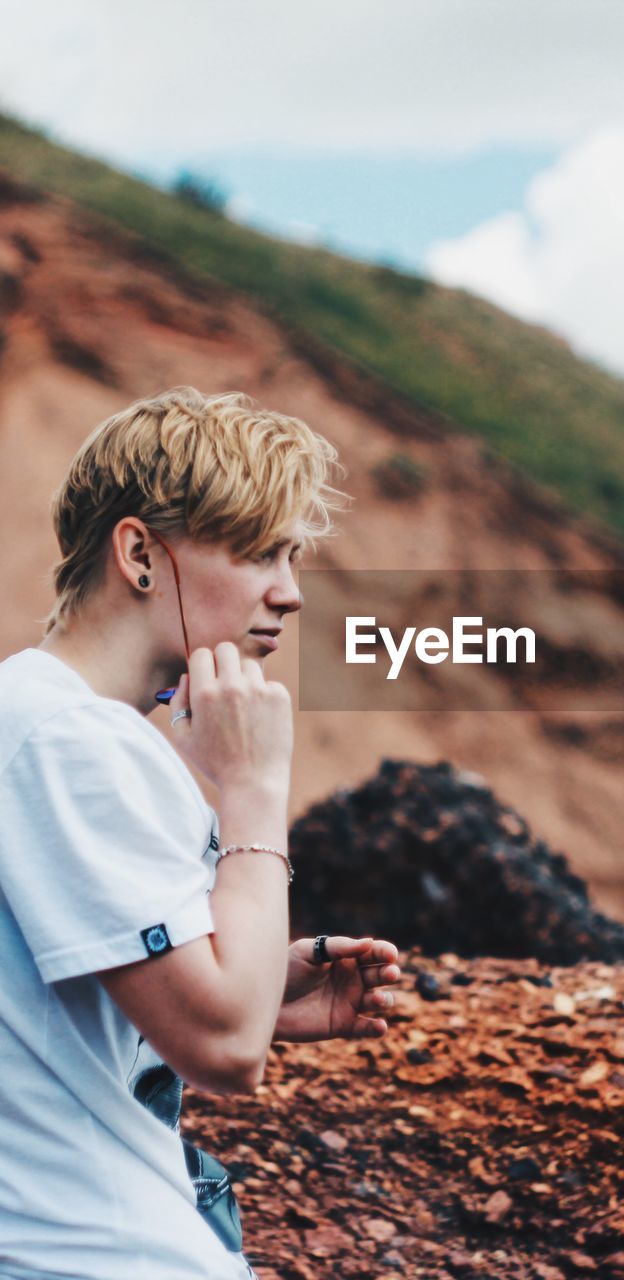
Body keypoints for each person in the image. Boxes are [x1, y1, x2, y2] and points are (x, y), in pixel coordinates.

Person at [0, 387, 401, 1280]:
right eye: (259, 550)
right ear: (140, 553)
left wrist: (256, 981)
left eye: (292, 556)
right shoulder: (72, 740)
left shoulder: (39, 722)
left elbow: (47, 1019)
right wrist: (253, 791)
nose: (289, 594)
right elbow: (223, 1048)